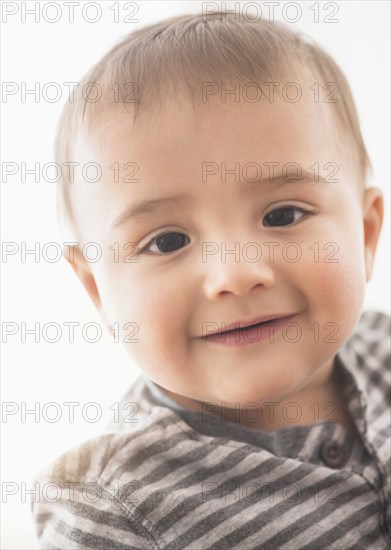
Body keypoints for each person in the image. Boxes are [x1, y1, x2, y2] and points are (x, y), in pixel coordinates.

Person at [31, 11, 390, 548]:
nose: (235, 274)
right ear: (97, 291)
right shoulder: (111, 506)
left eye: (283, 215)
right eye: (167, 241)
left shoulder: (383, 345)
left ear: (363, 235)